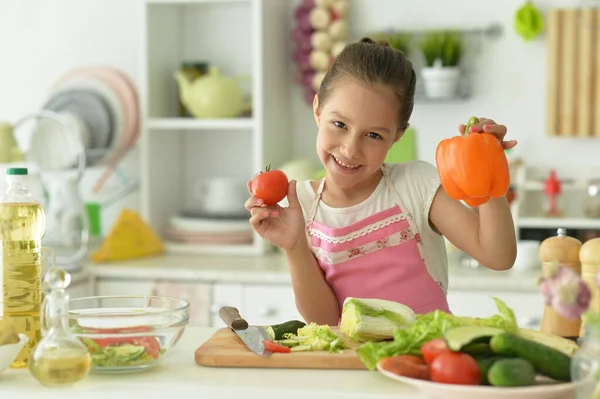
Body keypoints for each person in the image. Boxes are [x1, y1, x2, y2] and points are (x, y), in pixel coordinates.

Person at [245, 37, 518, 326]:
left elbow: (498, 256)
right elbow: (325, 320)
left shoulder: (416, 185)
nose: (350, 149)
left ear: (397, 136)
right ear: (317, 110)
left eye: (373, 135)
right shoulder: (301, 204)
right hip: (349, 367)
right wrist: (295, 246)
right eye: (340, 125)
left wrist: (487, 163)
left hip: (424, 364)